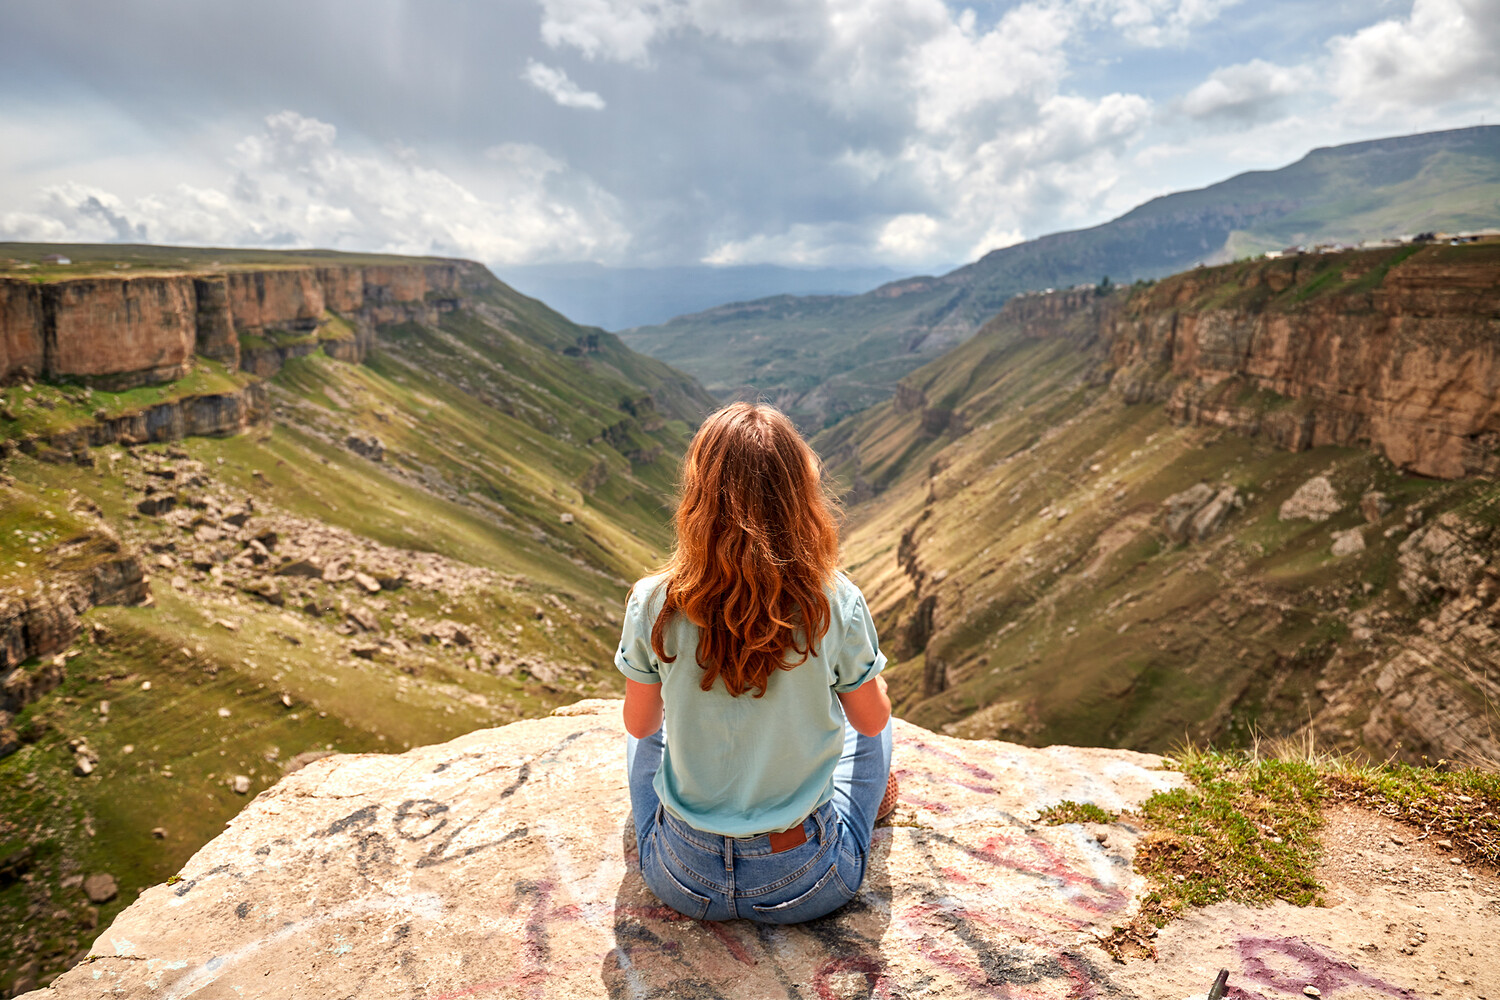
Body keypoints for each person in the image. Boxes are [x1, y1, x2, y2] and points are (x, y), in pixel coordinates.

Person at [615, 402, 896, 924]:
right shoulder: (833, 599)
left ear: (699, 495)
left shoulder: (653, 600)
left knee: (641, 731)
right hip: (803, 877)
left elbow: (640, 724)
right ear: (798, 496)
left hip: (682, 874)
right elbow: (872, 719)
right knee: (874, 729)